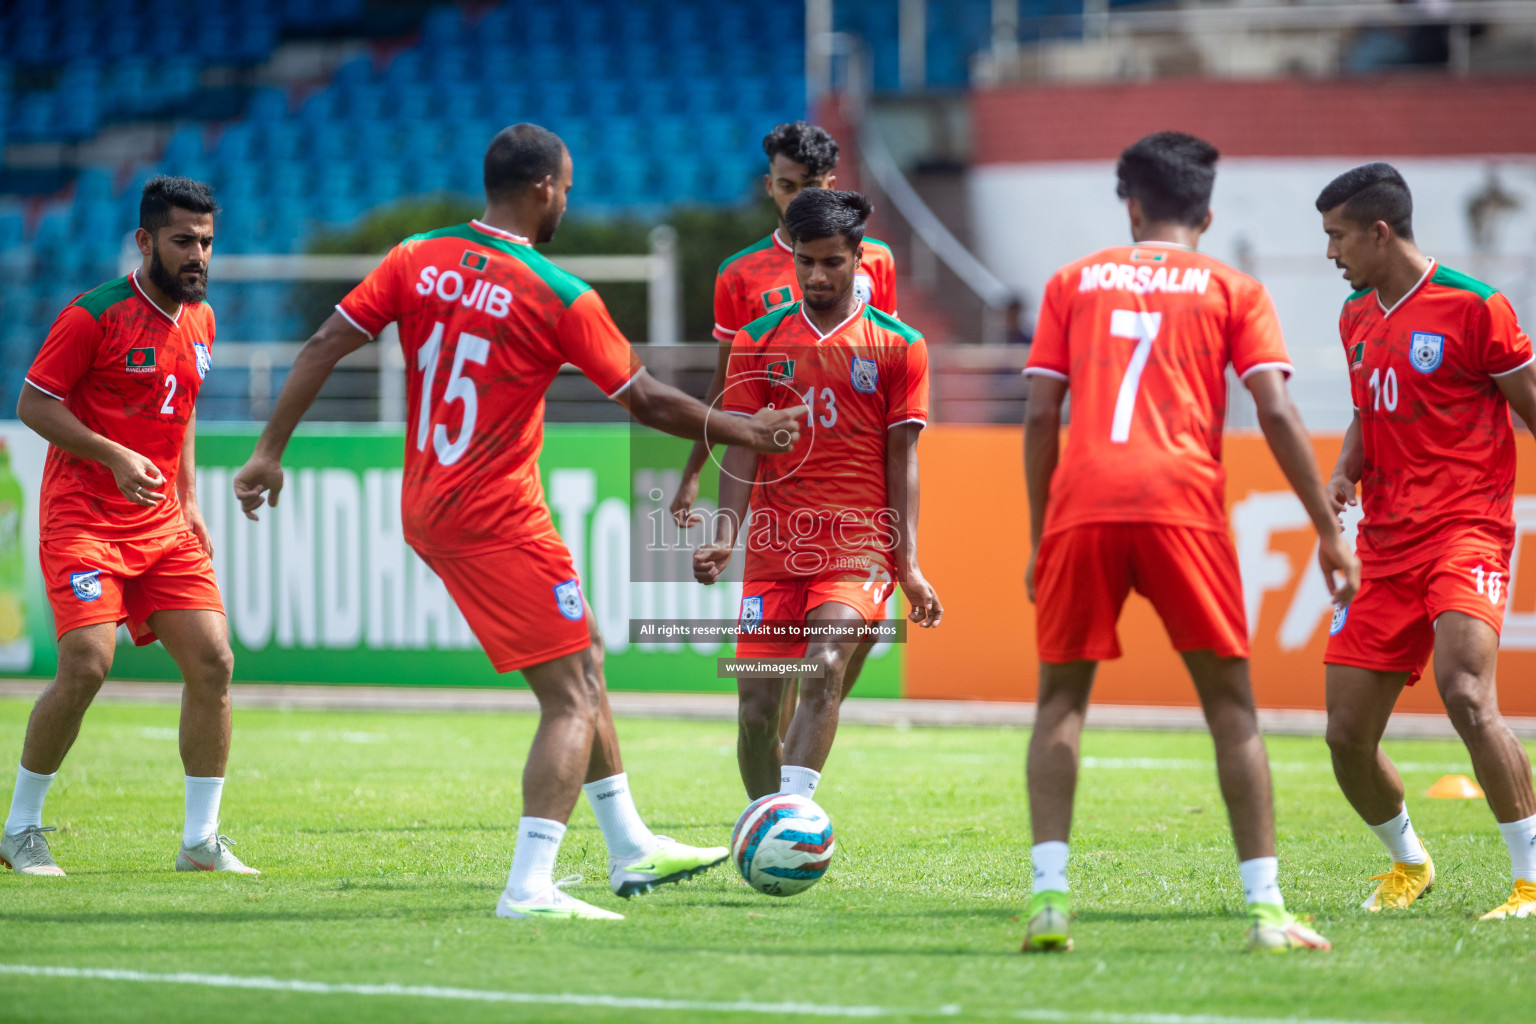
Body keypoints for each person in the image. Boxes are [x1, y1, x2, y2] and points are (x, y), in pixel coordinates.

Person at [231, 124, 806, 921]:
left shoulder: (415, 257)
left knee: (585, 656)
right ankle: (529, 885)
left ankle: (629, 844)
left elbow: (326, 343)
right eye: (566, 186)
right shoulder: (558, 294)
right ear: (543, 188)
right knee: (571, 694)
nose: (568, 198)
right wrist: (750, 430)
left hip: (431, 501)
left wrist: (268, 452)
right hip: (493, 512)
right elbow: (644, 399)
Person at [1021, 132, 1359, 953]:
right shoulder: (1233, 287)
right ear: (1205, 210)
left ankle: (1050, 902)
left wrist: (1041, 536)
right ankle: (1267, 910)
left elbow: (1038, 416)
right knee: (1231, 710)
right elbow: (1275, 410)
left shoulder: (1072, 281)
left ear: (1129, 204)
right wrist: (1326, 529)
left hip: (1084, 505)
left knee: (1061, 701)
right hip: (1183, 506)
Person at [0, 177, 256, 877]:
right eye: (182, 241)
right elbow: (33, 403)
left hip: (163, 523)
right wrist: (113, 456)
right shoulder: (93, 316)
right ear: (145, 242)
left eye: (205, 241)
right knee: (87, 664)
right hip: (82, 517)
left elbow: (184, 406)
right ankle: (19, 828)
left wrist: (191, 498)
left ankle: (200, 841)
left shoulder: (200, 318)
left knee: (214, 662)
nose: (197, 254)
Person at [1316, 162, 1536, 921]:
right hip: (1383, 545)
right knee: (1345, 734)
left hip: (1466, 532)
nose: (1330, 253)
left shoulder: (1477, 309)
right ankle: (1410, 863)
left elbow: (1533, 407)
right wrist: (1345, 471)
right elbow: (1367, 413)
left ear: (1380, 232)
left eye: (1338, 237)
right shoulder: (1355, 316)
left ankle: (1531, 880)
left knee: (1467, 694)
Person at [692, 188, 942, 804]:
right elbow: (744, 446)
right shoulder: (758, 341)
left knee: (825, 666)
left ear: (860, 259)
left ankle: (792, 820)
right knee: (755, 713)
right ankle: (765, 821)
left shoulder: (898, 345)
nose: (817, 274)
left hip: (857, 546)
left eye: (832, 261)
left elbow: (902, 458)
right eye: (806, 260)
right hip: (777, 549)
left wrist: (906, 566)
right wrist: (726, 535)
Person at [674, 121, 900, 764]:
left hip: (854, 490)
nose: (789, 197)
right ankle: (784, 770)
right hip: (779, 484)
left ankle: (805, 738)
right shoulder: (740, 273)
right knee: (763, 695)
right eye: (781, 185)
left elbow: (882, 365)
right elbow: (727, 388)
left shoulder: (874, 260)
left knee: (836, 652)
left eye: (804, 186)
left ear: (829, 185)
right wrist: (696, 468)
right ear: (767, 184)